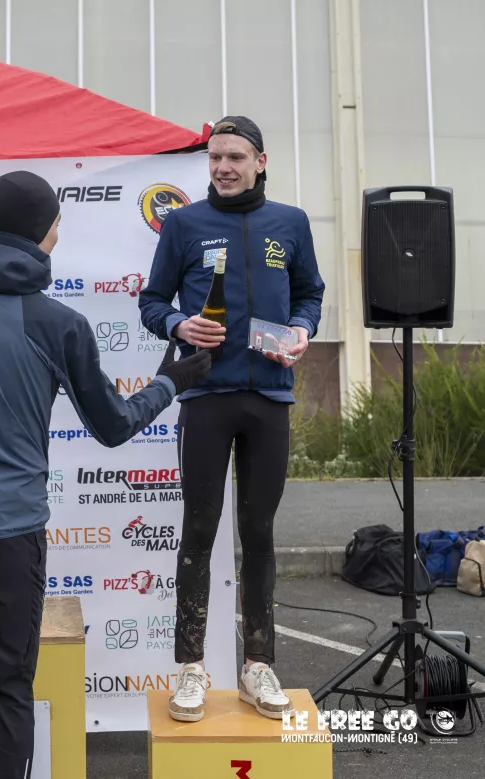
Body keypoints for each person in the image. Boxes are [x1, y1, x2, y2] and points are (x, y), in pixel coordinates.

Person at [0, 171, 212, 778]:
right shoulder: (60, 323)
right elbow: (114, 425)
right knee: (8, 688)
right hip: (8, 535)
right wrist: (170, 382)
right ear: (47, 232)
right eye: (57, 223)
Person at [138, 116, 325, 722]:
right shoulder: (184, 223)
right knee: (199, 528)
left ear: (260, 162)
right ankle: (191, 669)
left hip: (269, 396)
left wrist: (302, 328)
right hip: (206, 397)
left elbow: (311, 293)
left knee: (259, 532)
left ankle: (257, 667)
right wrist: (178, 324)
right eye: (215, 157)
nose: (222, 167)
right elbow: (151, 301)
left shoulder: (291, 223)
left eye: (235, 157)